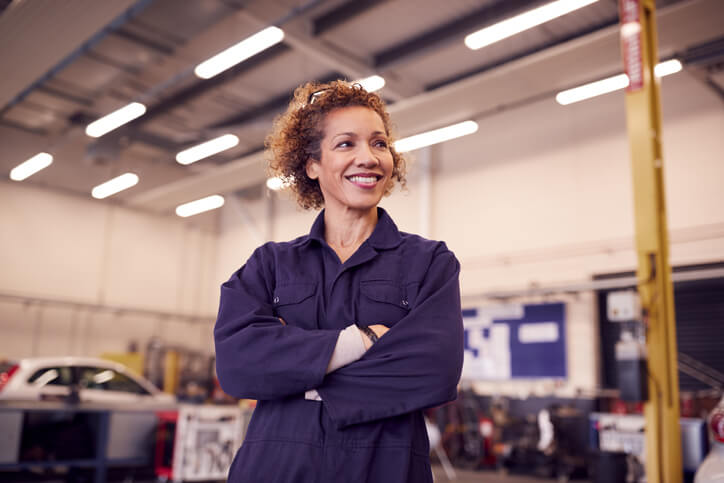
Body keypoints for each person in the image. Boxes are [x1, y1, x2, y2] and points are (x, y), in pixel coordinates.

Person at [214, 80, 464, 482]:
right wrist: (360, 342)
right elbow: (237, 365)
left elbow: (434, 369)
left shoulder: (429, 263)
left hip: (386, 469)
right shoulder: (270, 265)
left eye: (379, 144)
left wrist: (298, 375)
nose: (368, 157)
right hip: (275, 469)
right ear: (311, 165)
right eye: (346, 144)